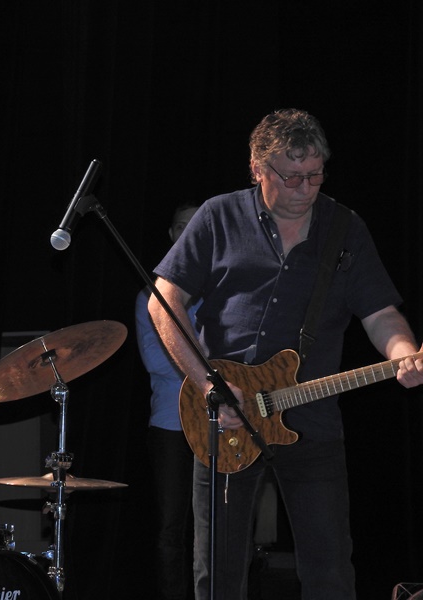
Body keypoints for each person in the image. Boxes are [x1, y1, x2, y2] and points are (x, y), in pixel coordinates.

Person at [147, 108, 423, 599]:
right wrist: (208, 383)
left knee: (330, 571)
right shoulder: (218, 216)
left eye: (315, 175)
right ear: (257, 168)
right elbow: (162, 300)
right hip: (227, 416)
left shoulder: (345, 228)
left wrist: (403, 352)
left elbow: (380, 313)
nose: (305, 188)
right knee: (218, 574)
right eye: (291, 176)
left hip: (311, 417)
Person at [134, 200, 200, 600]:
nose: (186, 233)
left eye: (195, 226)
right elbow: (156, 362)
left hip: (220, 423)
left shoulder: (222, 291)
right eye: (180, 226)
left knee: (217, 525)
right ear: (172, 234)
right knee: (171, 527)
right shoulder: (150, 294)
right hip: (171, 424)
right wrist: (206, 369)